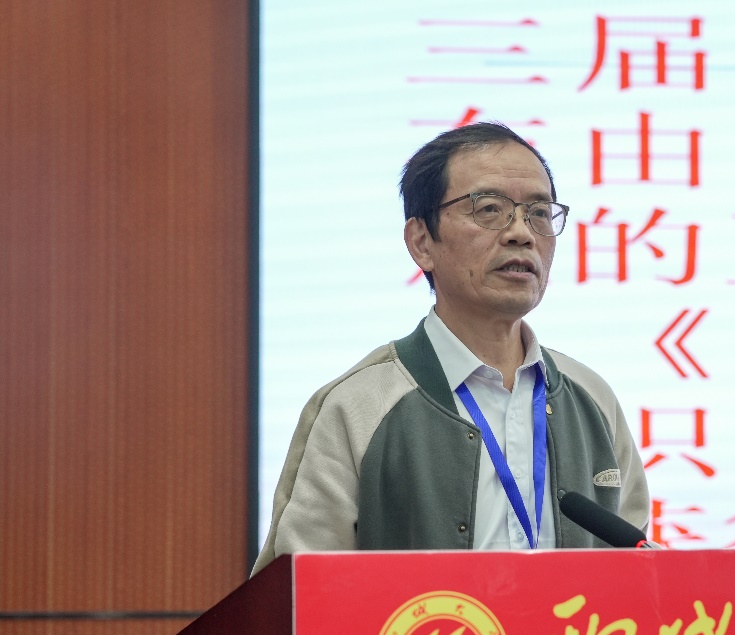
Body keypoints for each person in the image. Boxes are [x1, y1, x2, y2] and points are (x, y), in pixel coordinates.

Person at [253, 123, 649, 574]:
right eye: (489, 209)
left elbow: (641, 575)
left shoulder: (592, 399)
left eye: (539, 213)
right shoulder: (357, 407)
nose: (522, 233)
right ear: (422, 243)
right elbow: (295, 594)